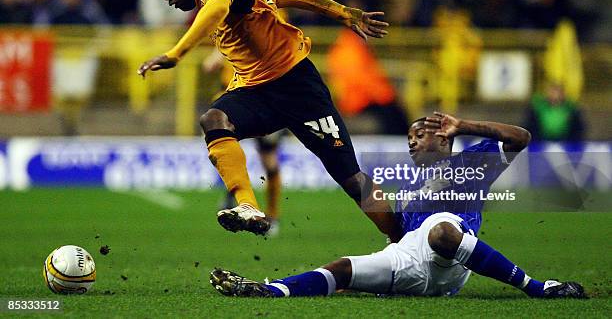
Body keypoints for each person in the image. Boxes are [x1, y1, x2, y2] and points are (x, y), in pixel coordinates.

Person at [137, 0, 401, 241]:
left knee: (352, 180)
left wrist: (175, 54)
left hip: (297, 87)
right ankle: (248, 206)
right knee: (214, 119)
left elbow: (218, 8)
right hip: (255, 91)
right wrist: (342, 12)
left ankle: (402, 240)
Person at [210, 112, 586, 299]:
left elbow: (521, 137)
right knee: (341, 269)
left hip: (450, 259)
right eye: (408, 138)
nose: (411, 143)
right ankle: (268, 290)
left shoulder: (472, 160)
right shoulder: (410, 186)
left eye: (419, 135)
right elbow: (398, 233)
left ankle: (538, 287)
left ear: (444, 136)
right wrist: (362, 192)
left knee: (440, 228)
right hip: (410, 261)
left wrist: (465, 124)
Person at [202, 0, 285, 236]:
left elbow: (260, 43)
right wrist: (217, 53)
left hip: (264, 95)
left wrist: (219, 55)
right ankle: (239, 198)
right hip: (234, 92)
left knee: (269, 160)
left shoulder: (268, 4)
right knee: (223, 146)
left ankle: (272, 216)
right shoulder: (227, 0)